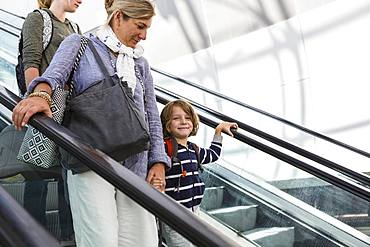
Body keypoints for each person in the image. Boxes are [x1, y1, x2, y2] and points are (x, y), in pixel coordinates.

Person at [13, 0, 170, 246]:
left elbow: (151, 114)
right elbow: (52, 76)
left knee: (142, 241)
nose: (144, 35)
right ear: (118, 17)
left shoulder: (140, 64)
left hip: (136, 166)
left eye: (148, 28)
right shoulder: (79, 44)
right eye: (140, 26)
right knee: (99, 240)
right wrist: (40, 94)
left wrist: (158, 162)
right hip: (89, 160)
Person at [19, 0, 82, 241]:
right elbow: (32, 62)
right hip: (46, 106)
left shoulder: (75, 28)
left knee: (67, 172)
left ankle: (68, 234)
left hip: (70, 110)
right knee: (37, 172)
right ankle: (32, 234)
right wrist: (35, 99)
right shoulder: (38, 19)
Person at [158, 99, 238, 247]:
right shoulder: (164, 148)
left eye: (187, 118)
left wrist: (218, 131)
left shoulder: (194, 149)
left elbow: (213, 154)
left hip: (195, 208)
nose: (183, 121)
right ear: (167, 126)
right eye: (176, 118)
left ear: (193, 123)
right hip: (174, 211)